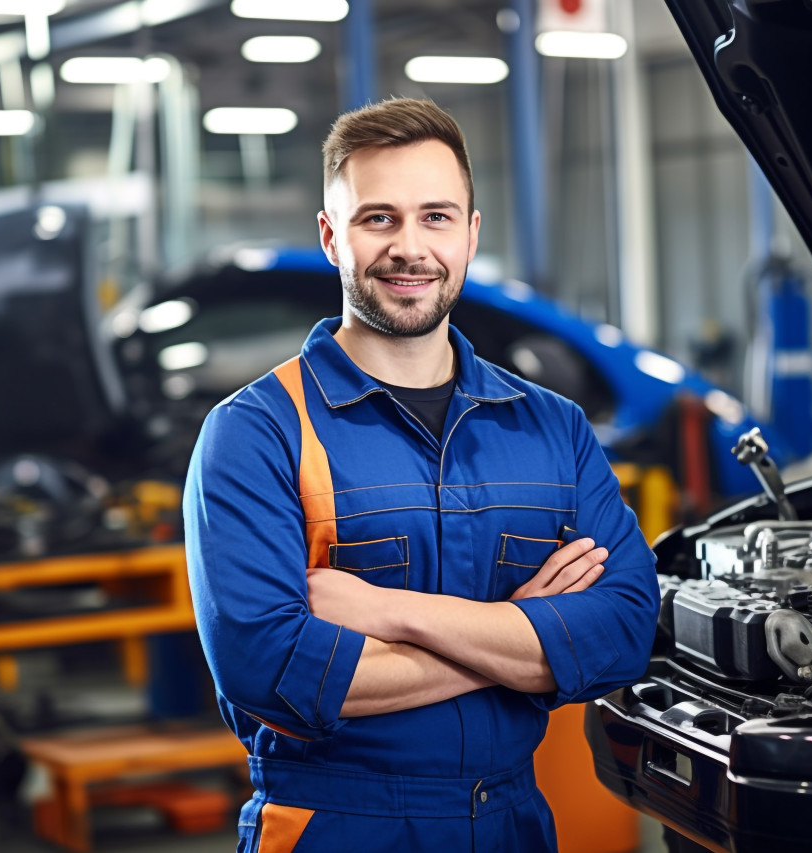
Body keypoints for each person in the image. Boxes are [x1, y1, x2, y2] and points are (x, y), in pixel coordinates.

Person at [182, 97, 660, 853]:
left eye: (436, 217)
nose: (410, 247)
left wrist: (392, 612)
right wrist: (523, 640)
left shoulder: (552, 428)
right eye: (379, 218)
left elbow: (625, 632)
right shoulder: (256, 433)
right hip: (336, 827)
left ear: (470, 235)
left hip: (514, 823)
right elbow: (269, 669)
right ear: (331, 235)